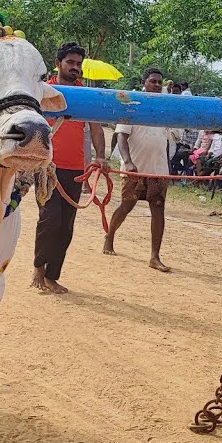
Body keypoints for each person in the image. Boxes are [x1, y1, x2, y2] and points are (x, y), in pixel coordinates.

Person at [32, 42, 106, 294]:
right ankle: (38, 267)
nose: (75, 67)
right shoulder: (44, 91)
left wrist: (101, 157)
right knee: (50, 219)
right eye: (70, 62)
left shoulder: (86, 96)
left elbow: (96, 128)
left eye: (78, 64)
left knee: (66, 227)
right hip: (47, 167)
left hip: (75, 171)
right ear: (58, 64)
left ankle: (52, 276)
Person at [103, 67, 181, 272]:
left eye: (159, 82)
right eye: (153, 81)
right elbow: (121, 137)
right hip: (135, 169)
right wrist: (128, 162)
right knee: (127, 205)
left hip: (158, 170)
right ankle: (109, 236)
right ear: (143, 83)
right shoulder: (132, 106)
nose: (156, 85)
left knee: (158, 208)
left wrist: (168, 168)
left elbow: (171, 138)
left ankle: (155, 256)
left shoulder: (165, 109)